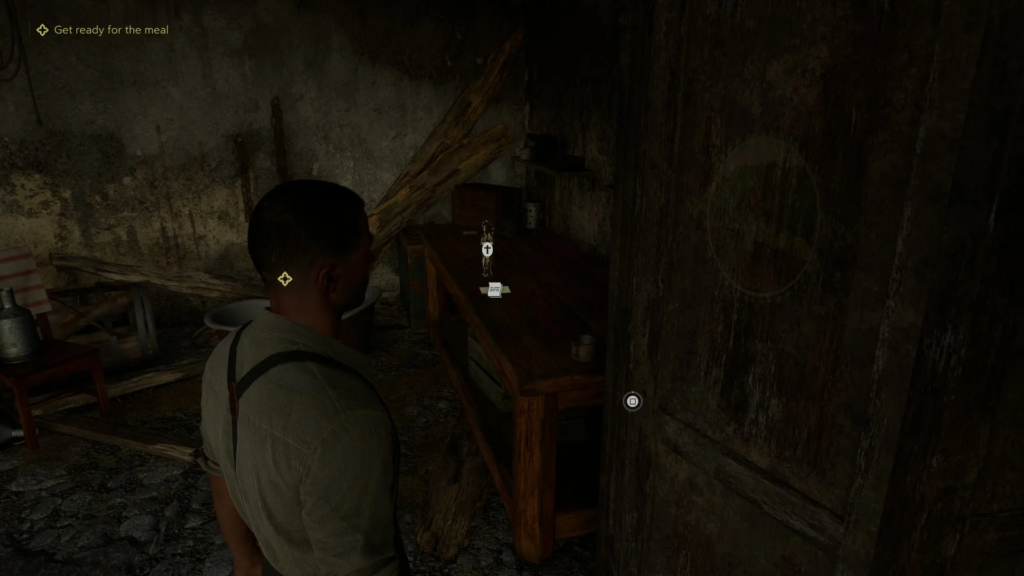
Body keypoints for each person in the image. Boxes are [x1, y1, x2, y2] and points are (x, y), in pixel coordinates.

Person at [196, 180, 410, 576]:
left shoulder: (224, 358)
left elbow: (221, 475)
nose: (371, 262)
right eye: (366, 253)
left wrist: (246, 562)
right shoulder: (346, 420)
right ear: (330, 280)